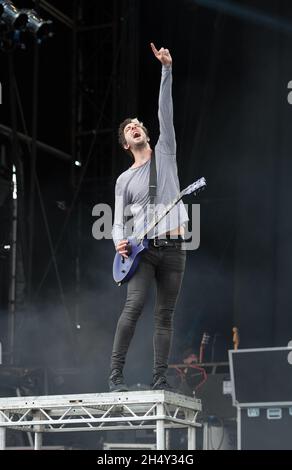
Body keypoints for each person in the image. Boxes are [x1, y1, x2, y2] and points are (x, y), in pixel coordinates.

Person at [109, 43, 189, 392]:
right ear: (126, 143)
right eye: (130, 129)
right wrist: (118, 241)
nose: (137, 127)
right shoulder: (124, 179)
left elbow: (165, 111)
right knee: (134, 307)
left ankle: (159, 379)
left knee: (165, 316)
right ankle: (115, 376)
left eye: (139, 124)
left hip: (174, 248)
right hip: (142, 251)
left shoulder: (166, 152)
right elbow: (115, 221)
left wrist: (166, 70)